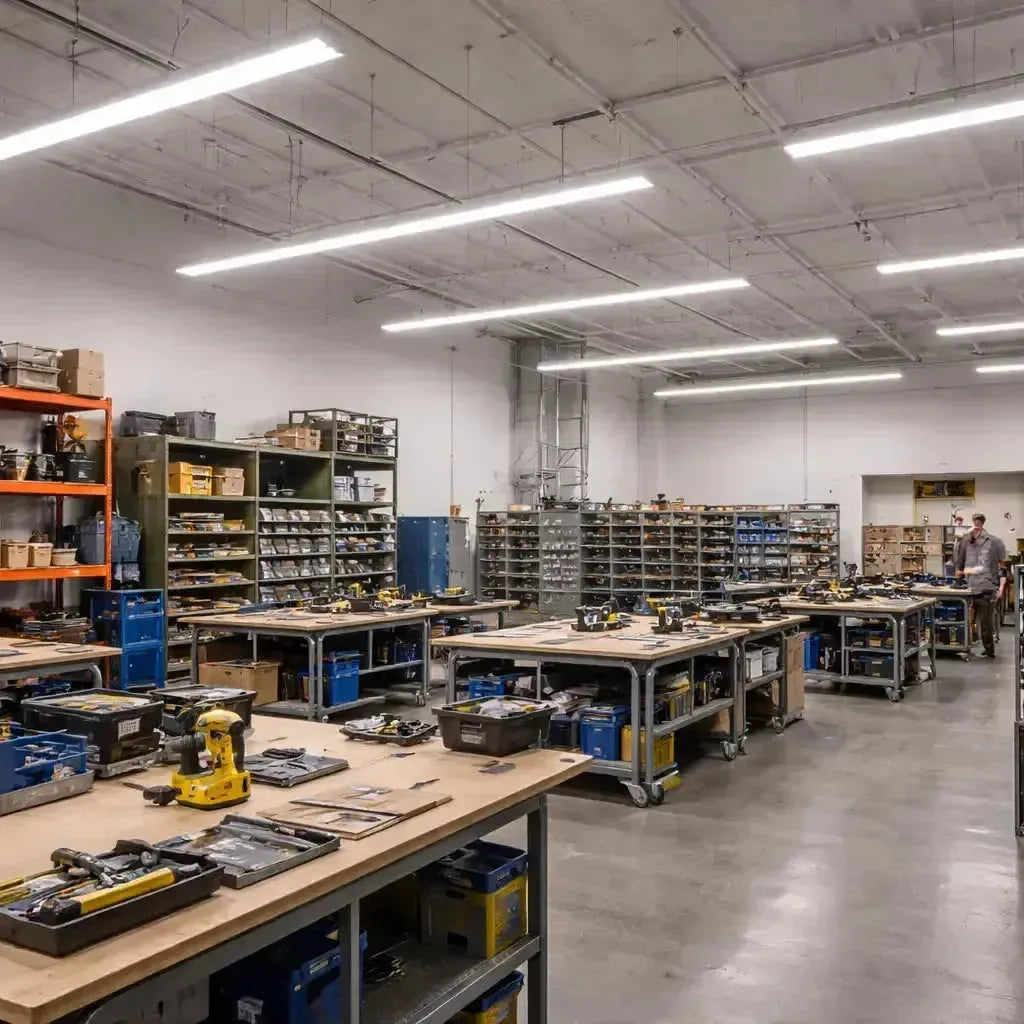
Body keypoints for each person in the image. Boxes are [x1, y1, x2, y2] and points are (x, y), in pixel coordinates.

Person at [953, 513, 1007, 657]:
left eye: (978, 524)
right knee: (966, 620)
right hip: (970, 588)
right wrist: (959, 572)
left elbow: (1003, 567)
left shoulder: (995, 542)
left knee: (986, 624)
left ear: (982, 524)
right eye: (974, 524)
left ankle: (989, 650)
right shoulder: (965, 542)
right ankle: (965, 646)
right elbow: (959, 563)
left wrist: (1001, 588)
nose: (976, 527)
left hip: (988, 588)